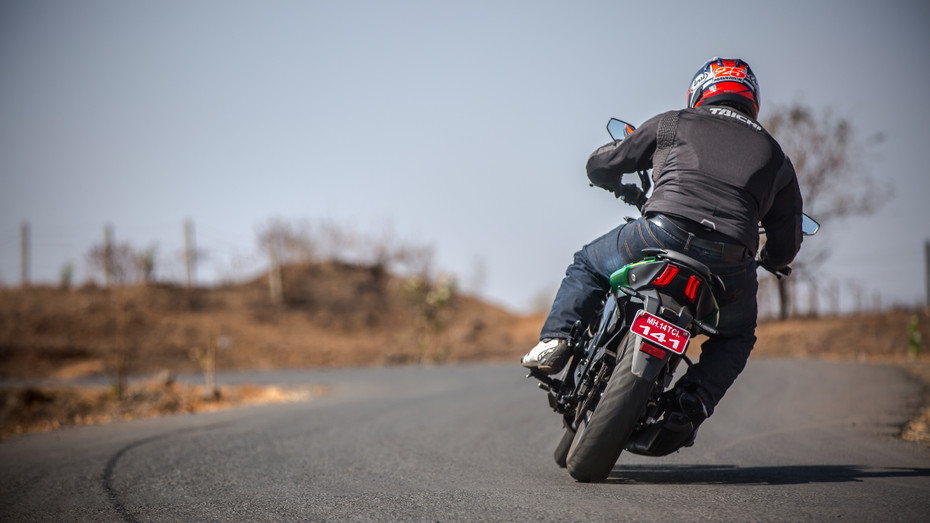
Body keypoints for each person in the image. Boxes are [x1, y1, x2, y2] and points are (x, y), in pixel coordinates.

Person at [521, 57, 803, 439]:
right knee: (738, 334)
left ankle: (556, 340)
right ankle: (694, 401)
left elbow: (605, 161)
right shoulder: (776, 158)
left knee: (587, 264)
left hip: (658, 235)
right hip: (729, 265)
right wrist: (769, 258)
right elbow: (786, 244)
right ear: (752, 98)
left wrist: (611, 180)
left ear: (699, 90)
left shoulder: (674, 122)